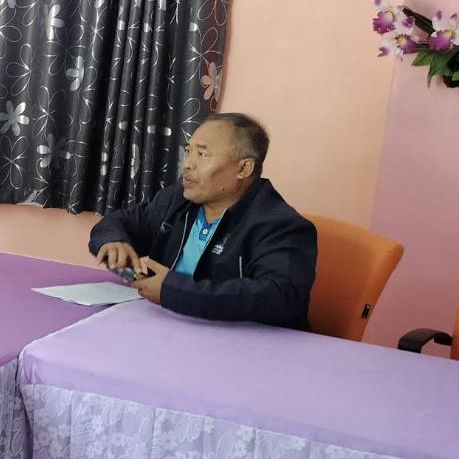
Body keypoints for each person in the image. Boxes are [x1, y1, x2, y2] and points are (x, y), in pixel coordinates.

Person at [89, 112, 316, 329]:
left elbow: (278, 296)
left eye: (202, 154)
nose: (187, 164)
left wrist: (172, 290)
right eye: (188, 151)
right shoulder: (176, 199)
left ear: (244, 168)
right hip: (168, 327)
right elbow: (118, 222)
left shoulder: (280, 225)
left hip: (246, 344)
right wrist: (113, 241)